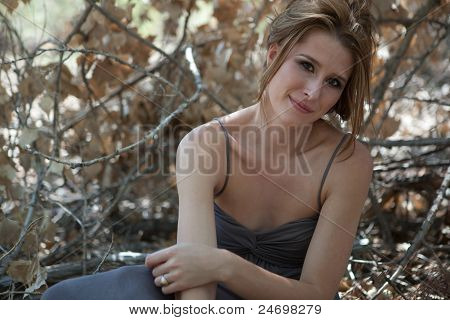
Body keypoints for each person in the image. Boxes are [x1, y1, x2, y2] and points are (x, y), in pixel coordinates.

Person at [42, 0, 376, 300]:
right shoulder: (206, 145)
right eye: (306, 65)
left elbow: (317, 297)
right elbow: (195, 287)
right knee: (69, 300)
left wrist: (225, 266)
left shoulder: (347, 162)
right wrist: (211, 274)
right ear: (274, 54)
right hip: (203, 298)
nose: (314, 92)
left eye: (334, 82)